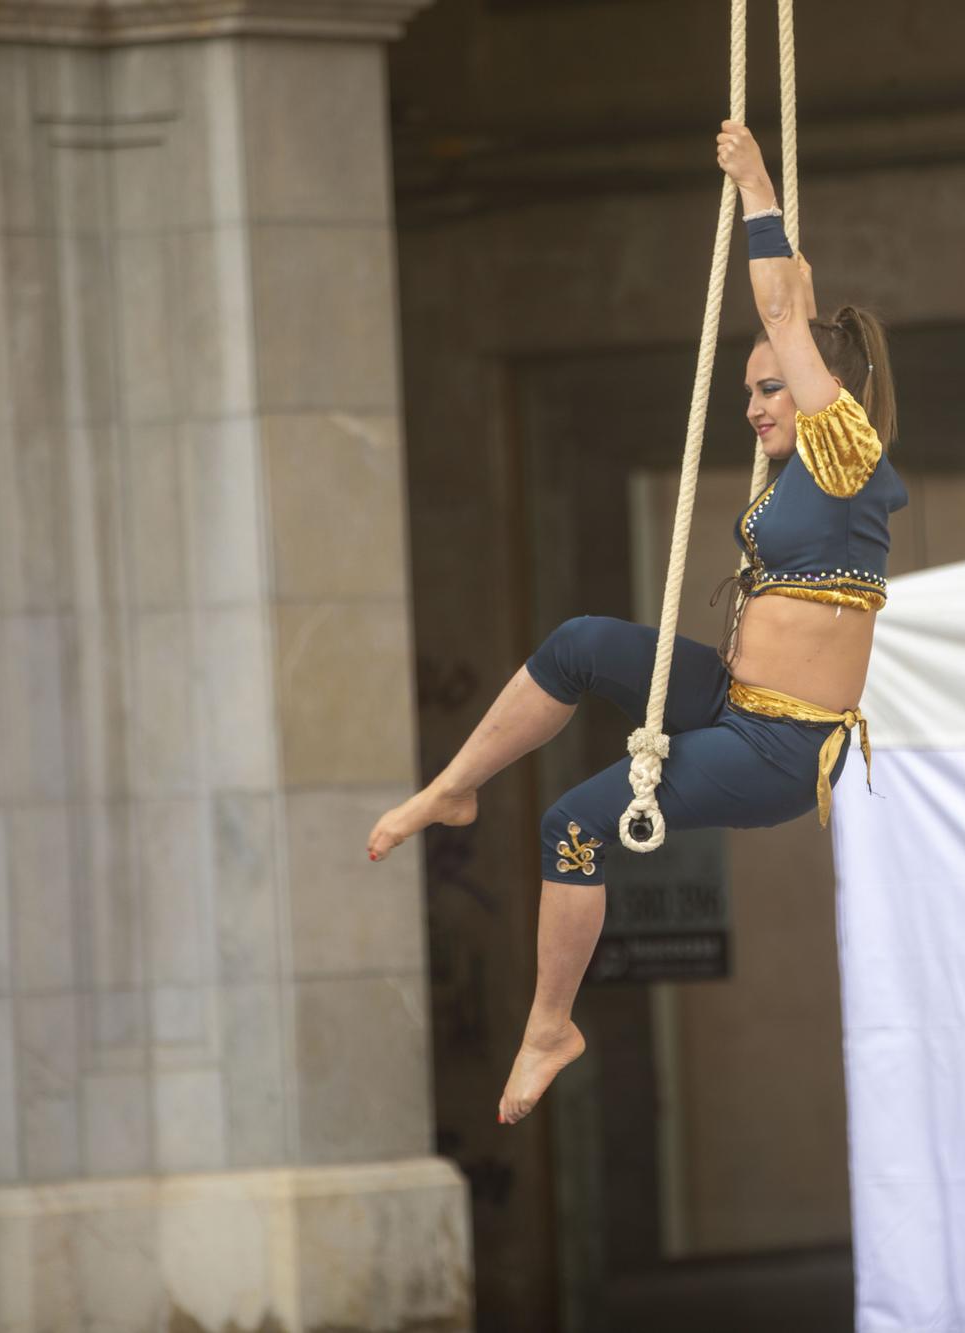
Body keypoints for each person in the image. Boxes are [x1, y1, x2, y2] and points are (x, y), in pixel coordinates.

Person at [363, 120, 907, 1128]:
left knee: (572, 827)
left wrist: (752, 182)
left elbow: (788, 300)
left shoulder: (846, 454)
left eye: (767, 388)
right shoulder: (804, 466)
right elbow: (797, 293)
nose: (751, 408)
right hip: (732, 697)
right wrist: (774, 234)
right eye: (746, 391)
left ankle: (548, 1024)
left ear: (823, 389)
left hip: (779, 746)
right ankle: (451, 789)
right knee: (577, 641)